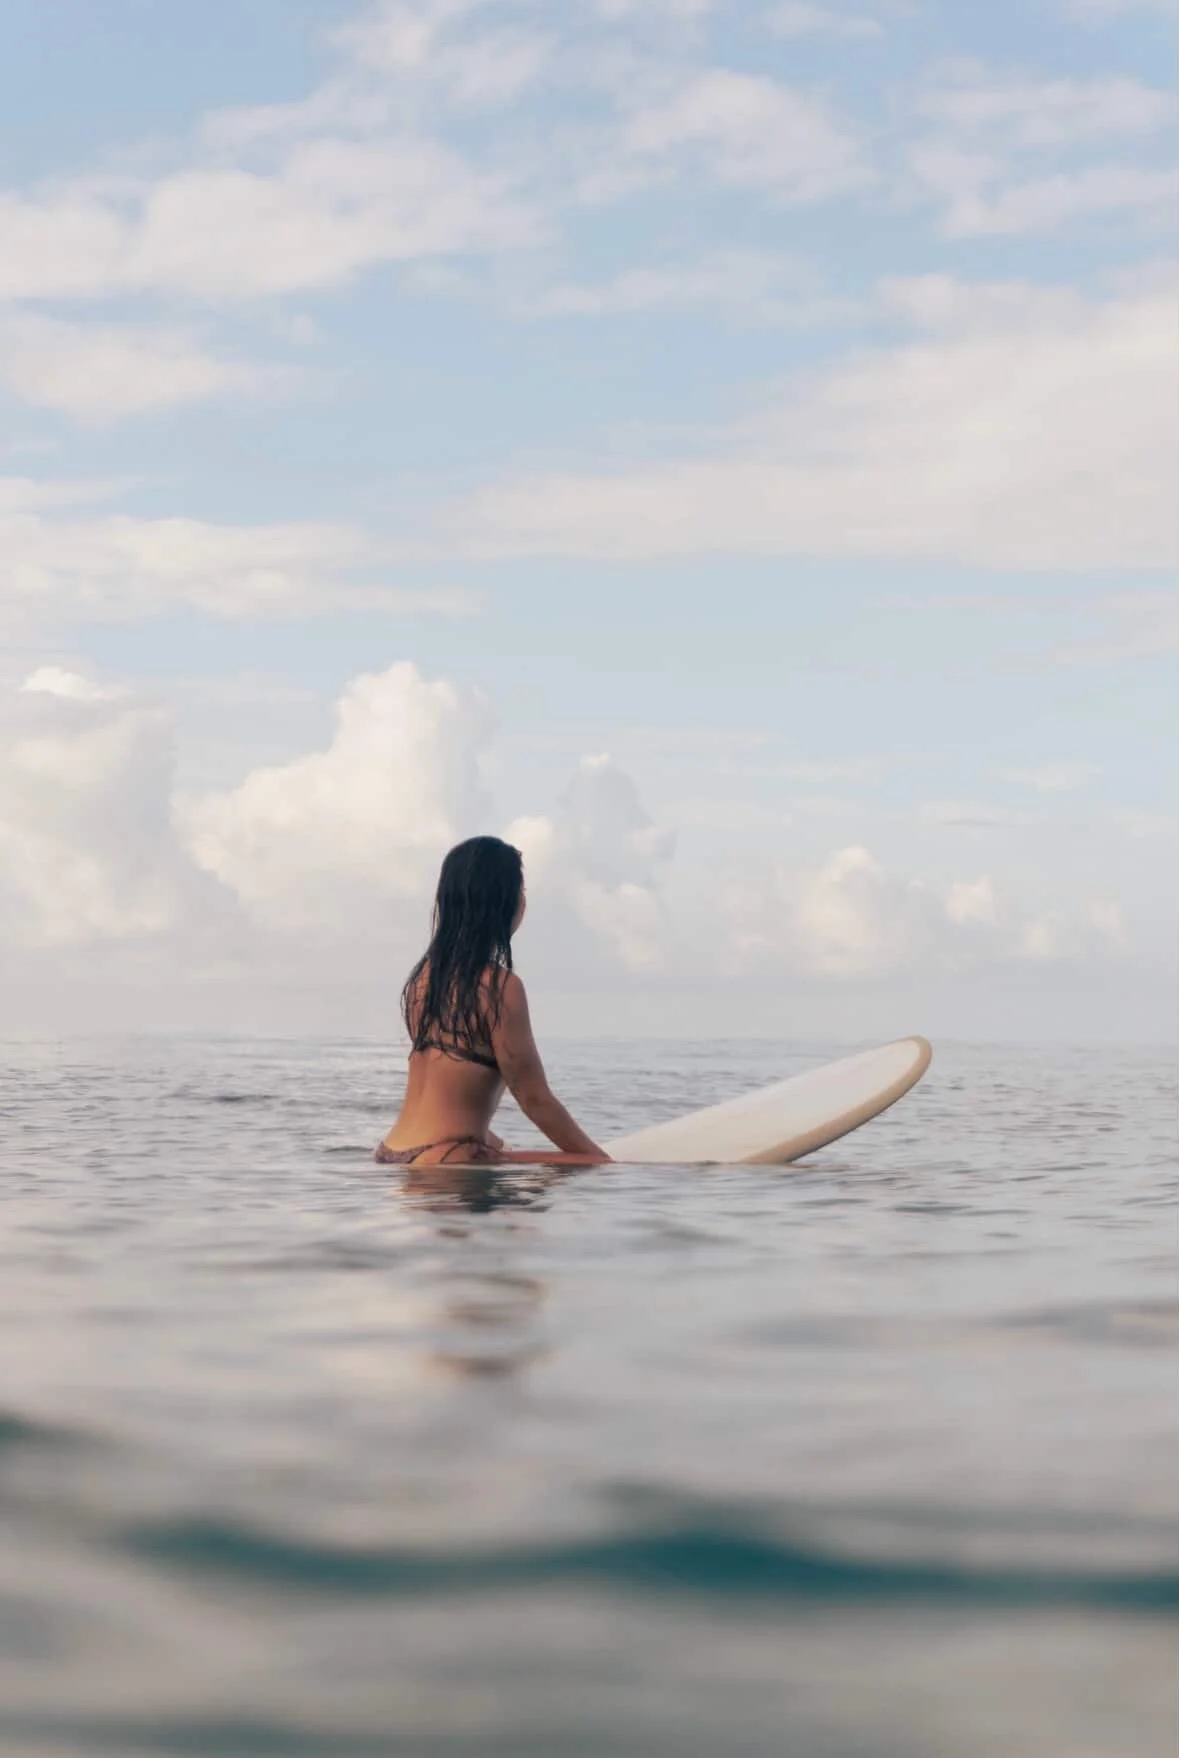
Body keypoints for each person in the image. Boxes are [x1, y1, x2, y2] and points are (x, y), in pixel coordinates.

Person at [376, 836, 609, 1168]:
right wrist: (602, 1161)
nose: (524, 900)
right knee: (585, 1169)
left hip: (393, 1153)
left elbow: (449, 1087)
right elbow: (534, 1098)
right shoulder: (500, 987)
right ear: (504, 901)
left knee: (502, 1150)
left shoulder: (423, 980)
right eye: (521, 890)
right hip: (447, 1162)